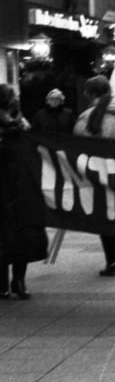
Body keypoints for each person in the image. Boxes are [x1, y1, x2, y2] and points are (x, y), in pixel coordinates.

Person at [73, 75, 115, 276]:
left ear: (91, 94)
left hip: (99, 172)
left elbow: (77, 143)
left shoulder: (88, 117)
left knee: (104, 214)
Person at [0, 85, 48, 299]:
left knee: (20, 236)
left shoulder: (21, 123)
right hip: (11, 188)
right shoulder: (19, 125)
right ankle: (8, 283)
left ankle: (17, 281)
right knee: (7, 236)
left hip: (18, 188)